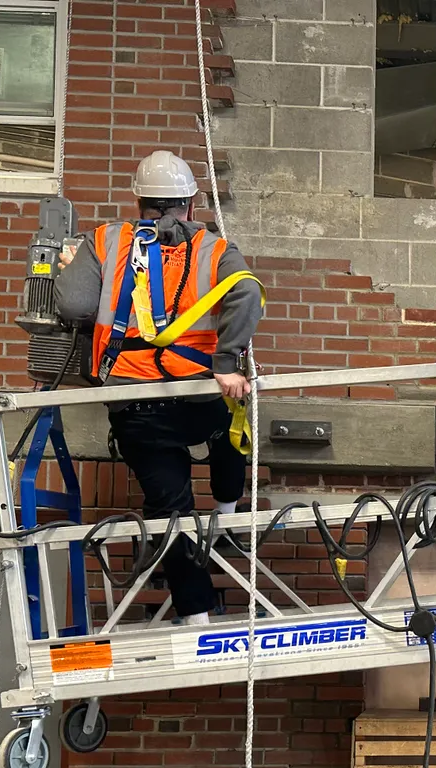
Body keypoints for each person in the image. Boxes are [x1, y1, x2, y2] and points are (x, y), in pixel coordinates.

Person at [55, 150, 264, 626]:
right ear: (190, 204)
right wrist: (227, 362)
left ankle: (195, 615)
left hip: (136, 400)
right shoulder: (214, 246)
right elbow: (247, 292)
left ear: (140, 200)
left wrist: (74, 267)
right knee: (230, 429)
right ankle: (228, 508)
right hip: (200, 392)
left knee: (170, 509)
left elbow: (73, 306)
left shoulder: (105, 241)